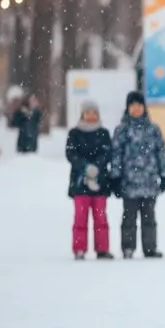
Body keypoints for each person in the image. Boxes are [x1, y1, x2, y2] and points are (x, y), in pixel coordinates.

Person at [110, 91, 165, 259]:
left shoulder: (153, 129)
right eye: (132, 105)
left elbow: (160, 153)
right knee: (129, 217)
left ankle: (150, 248)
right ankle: (128, 247)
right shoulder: (122, 130)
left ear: (144, 107)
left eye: (139, 105)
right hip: (129, 183)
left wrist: (164, 175)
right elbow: (116, 155)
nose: (136, 108)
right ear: (128, 108)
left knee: (149, 217)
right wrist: (115, 177)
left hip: (149, 182)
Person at [66, 100, 113, 260]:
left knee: (100, 218)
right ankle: (79, 249)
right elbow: (71, 154)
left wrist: (97, 167)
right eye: (88, 113)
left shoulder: (104, 133)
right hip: (80, 183)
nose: (91, 116)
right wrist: (85, 167)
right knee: (80, 218)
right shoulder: (74, 133)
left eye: (94, 113)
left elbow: (108, 153)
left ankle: (102, 249)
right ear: (82, 114)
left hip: (100, 183)